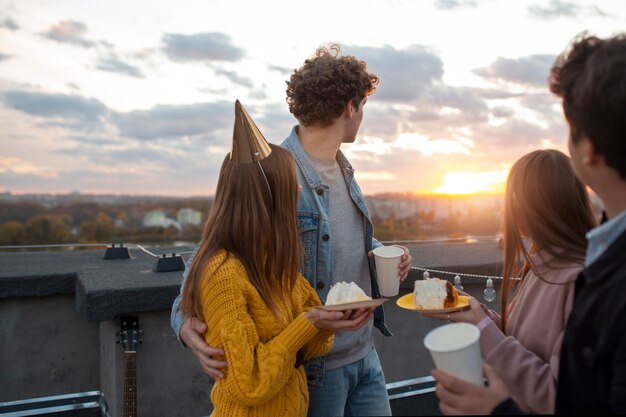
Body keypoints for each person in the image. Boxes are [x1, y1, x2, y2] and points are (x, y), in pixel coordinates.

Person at [172, 44, 413, 417]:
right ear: (350, 107)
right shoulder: (276, 173)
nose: (362, 117)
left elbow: (333, 239)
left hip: (364, 353)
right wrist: (183, 322)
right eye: (363, 106)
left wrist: (380, 250)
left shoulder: (343, 170)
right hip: (317, 369)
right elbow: (211, 259)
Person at [432, 32, 626, 415]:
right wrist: (479, 316)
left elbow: (561, 395)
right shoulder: (556, 266)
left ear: (586, 147)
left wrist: (496, 410)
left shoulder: (586, 278)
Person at [180, 100, 347, 416]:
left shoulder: (272, 262)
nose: (298, 188)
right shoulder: (223, 273)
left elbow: (311, 345)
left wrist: (331, 321)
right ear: (269, 196)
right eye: (290, 181)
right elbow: (249, 384)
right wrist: (310, 322)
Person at [424, 149, 596, 414]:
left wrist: (483, 328)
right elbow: (521, 340)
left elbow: (559, 397)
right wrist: (477, 314)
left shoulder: (578, 282)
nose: (509, 208)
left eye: (514, 197)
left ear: (538, 204)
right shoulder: (541, 265)